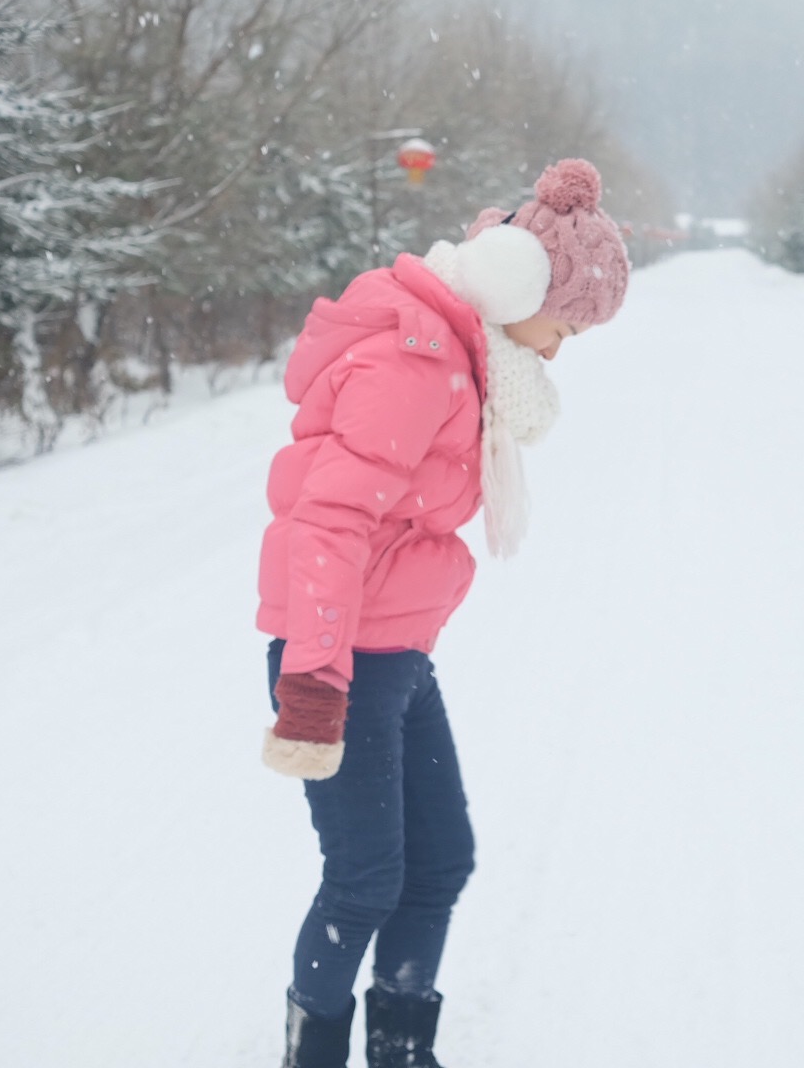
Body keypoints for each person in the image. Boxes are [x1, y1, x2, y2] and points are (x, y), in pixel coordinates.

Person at [256, 158, 631, 1068]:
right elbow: (332, 521)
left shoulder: (463, 354)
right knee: (365, 881)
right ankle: (312, 1054)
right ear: (517, 284)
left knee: (441, 861)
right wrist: (315, 681)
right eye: (565, 322)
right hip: (341, 658)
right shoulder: (415, 361)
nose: (558, 346)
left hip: (394, 653)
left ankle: (399, 1049)